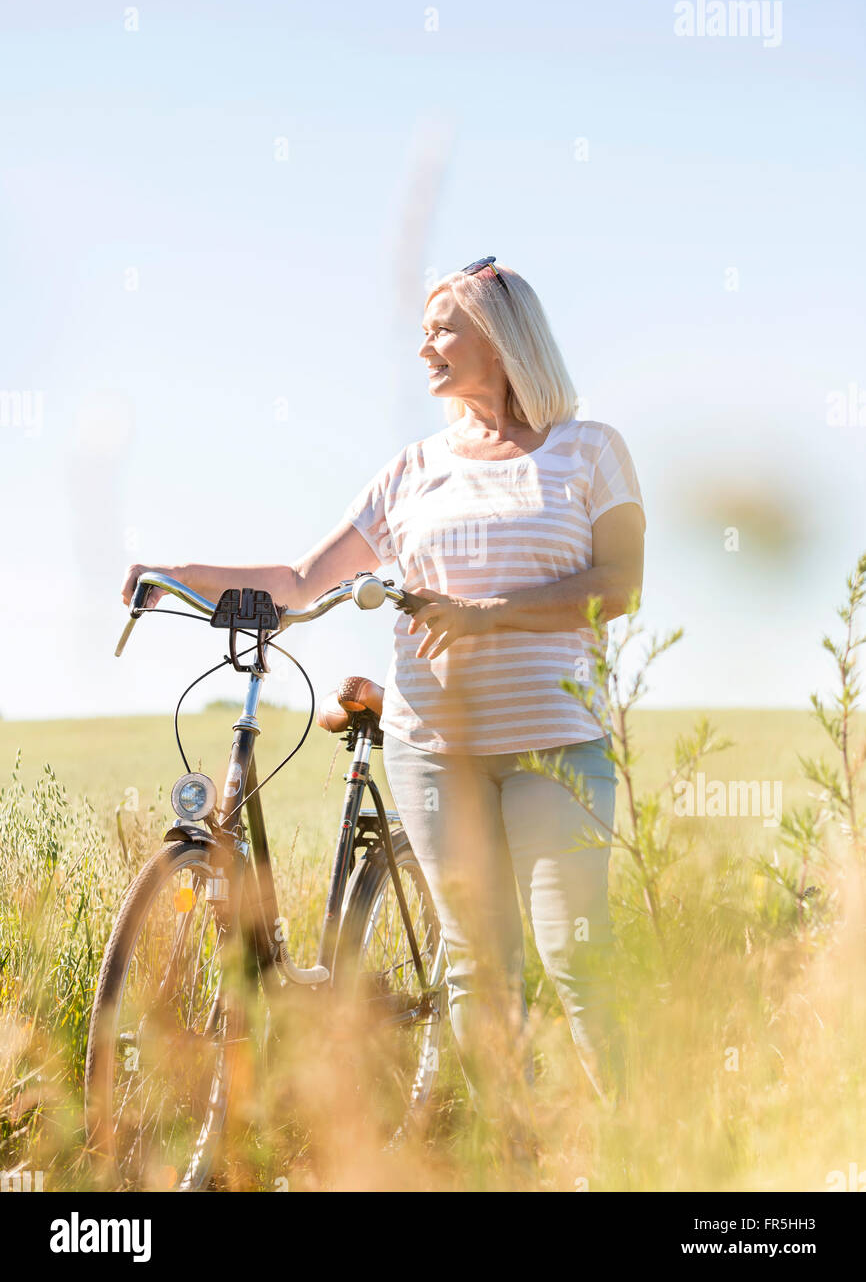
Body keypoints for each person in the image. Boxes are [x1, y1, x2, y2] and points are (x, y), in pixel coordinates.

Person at [121, 257, 645, 1132]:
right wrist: (181, 573)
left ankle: (651, 1160)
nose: (425, 345)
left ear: (502, 336)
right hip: (433, 749)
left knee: (575, 959)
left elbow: (621, 584)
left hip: (556, 743)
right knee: (478, 968)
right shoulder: (412, 468)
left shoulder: (589, 449)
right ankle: (510, 1166)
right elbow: (299, 577)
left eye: (443, 326)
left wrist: (487, 615)